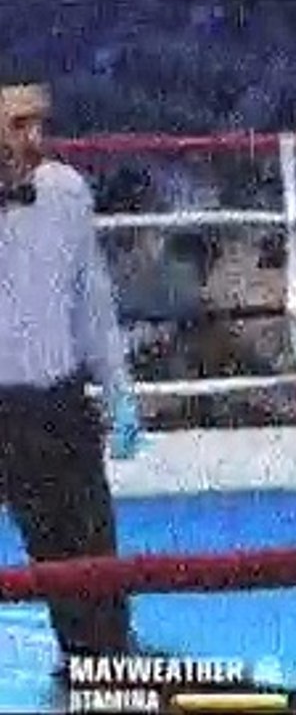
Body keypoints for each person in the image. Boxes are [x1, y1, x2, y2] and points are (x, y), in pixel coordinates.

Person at [0, 82, 144, 669]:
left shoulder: (65, 191)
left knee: (92, 544)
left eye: (40, 122)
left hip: (61, 400)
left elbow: (93, 302)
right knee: (45, 546)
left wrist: (118, 391)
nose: (34, 138)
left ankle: (104, 661)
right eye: (17, 124)